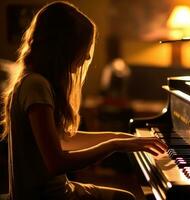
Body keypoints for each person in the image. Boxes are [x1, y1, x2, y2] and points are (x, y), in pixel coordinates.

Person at [0, 1, 167, 200]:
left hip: (51, 192)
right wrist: (114, 145)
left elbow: (63, 139)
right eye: (83, 47)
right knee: (127, 198)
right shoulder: (37, 86)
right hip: (49, 196)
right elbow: (56, 162)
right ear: (65, 47)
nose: (87, 55)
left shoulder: (33, 81)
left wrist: (122, 137)